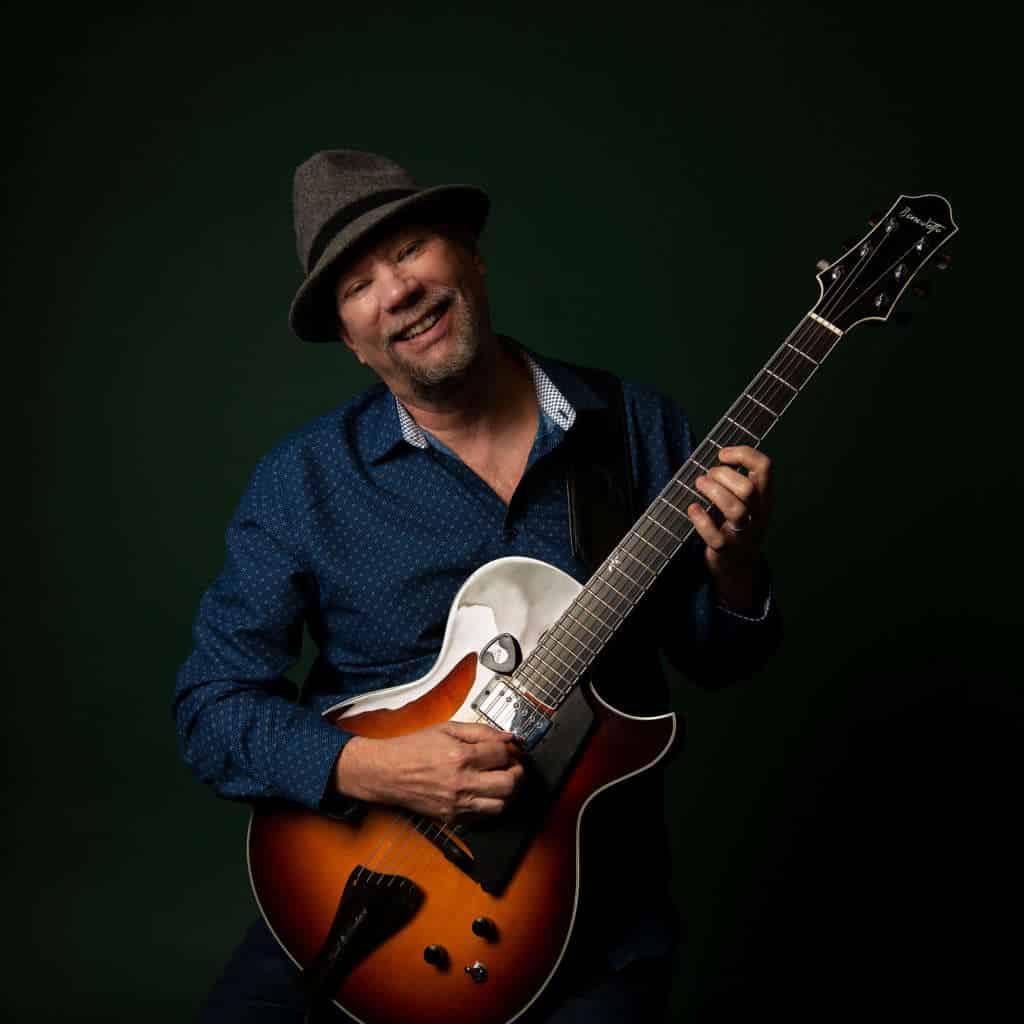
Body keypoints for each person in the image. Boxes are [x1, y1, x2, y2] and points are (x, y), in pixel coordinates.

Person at [174, 149, 782, 1022]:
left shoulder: (637, 428)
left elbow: (719, 661)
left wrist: (734, 565)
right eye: (357, 286)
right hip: (355, 885)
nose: (397, 291)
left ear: (470, 255)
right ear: (350, 339)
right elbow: (211, 707)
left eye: (412, 248)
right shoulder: (301, 481)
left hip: (582, 919)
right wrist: (374, 767)